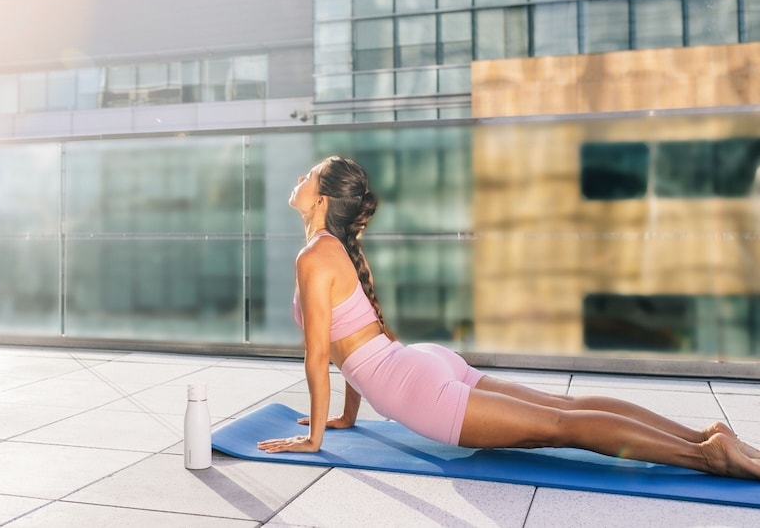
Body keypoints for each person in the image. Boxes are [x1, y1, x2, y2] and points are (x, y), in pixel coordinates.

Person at [257, 155, 760, 480]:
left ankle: (707, 455)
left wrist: (317, 435)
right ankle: (704, 434)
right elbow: (362, 338)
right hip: (419, 364)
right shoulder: (338, 250)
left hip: (416, 388)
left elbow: (322, 354)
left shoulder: (313, 256)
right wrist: (347, 416)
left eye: (307, 176)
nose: (298, 178)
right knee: (566, 408)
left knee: (563, 425)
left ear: (321, 200)